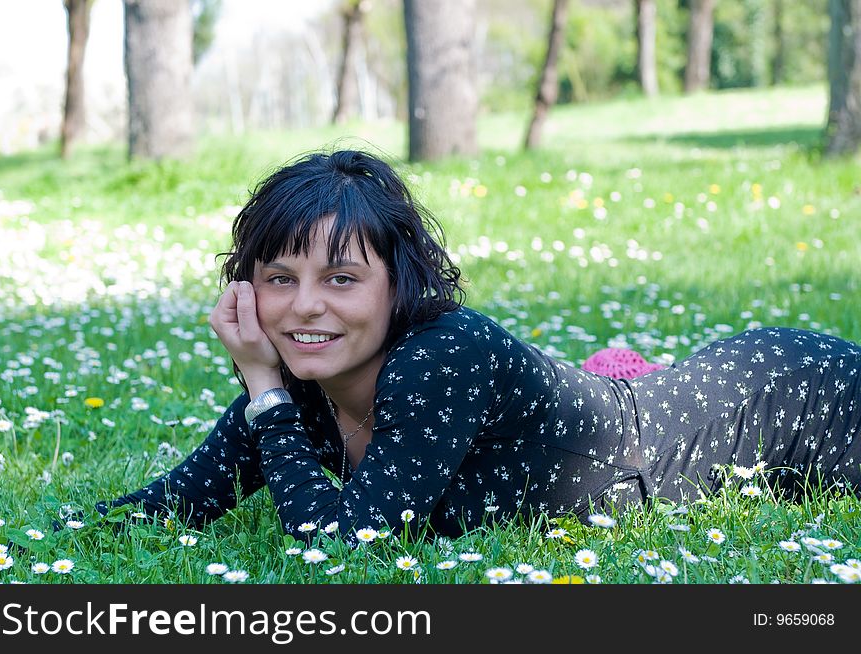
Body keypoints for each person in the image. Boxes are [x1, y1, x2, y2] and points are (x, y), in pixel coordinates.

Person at [97, 149, 861, 541]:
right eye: (278, 278)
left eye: (339, 278)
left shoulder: (439, 356)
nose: (304, 308)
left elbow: (341, 548)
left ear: (398, 285)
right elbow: (171, 505)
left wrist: (262, 390)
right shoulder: (299, 390)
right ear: (245, 289)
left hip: (783, 401)